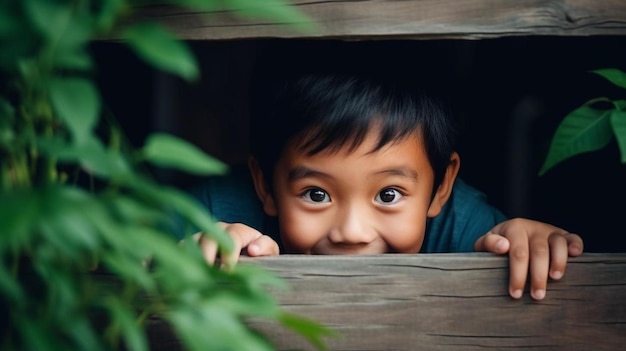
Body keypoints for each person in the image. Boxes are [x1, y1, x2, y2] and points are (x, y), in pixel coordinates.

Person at [186, 53, 583, 301]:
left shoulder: (464, 227)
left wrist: (526, 247)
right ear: (264, 184)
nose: (353, 233)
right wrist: (181, 254)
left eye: (389, 195)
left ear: (441, 186)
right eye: (316, 194)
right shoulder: (214, 212)